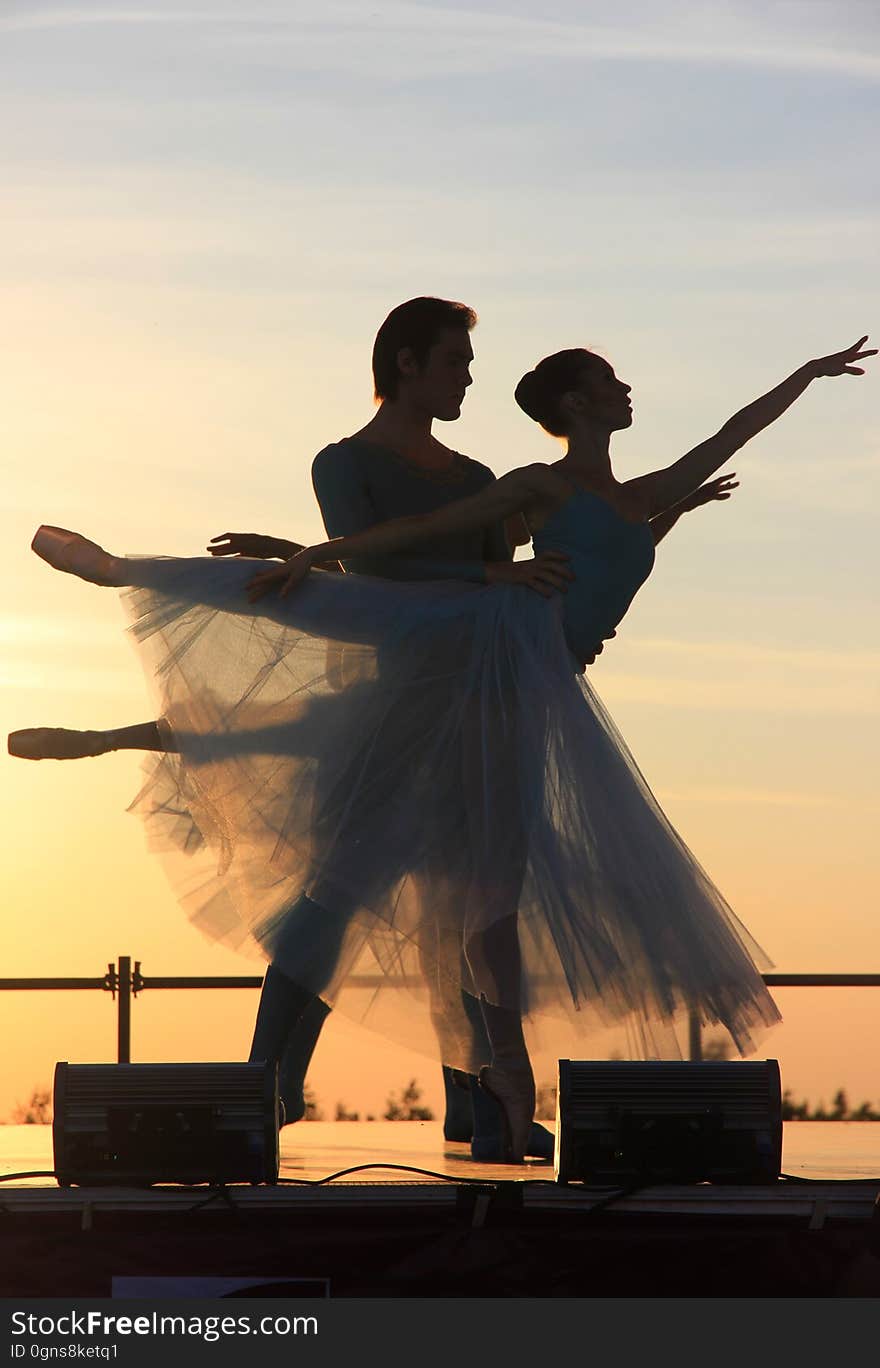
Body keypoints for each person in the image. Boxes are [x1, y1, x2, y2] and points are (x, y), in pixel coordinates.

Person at [18, 334, 870, 1159]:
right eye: (610, 380)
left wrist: (806, 373)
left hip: (536, 679)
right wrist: (311, 553)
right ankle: (122, 571)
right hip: (493, 651)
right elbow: (404, 557)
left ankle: (497, 1081)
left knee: (489, 892)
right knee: (430, 869)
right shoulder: (521, 483)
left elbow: (724, 442)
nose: (627, 390)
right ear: (576, 402)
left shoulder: (636, 497)